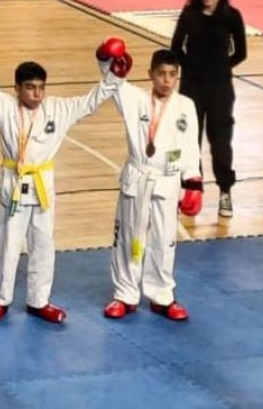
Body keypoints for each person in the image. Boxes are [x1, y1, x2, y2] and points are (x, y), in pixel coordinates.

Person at [0, 36, 126, 324]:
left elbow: (91, 101)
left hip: (43, 186)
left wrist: (115, 77)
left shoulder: (59, 109)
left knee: (44, 244)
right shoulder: (4, 107)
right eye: (30, 88)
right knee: (8, 245)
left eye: (40, 88)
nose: (36, 94)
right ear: (17, 88)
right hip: (14, 183)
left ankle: (39, 300)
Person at [102, 48, 202, 322]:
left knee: (164, 240)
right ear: (151, 74)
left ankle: (162, 296)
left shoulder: (186, 106)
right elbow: (110, 81)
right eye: (161, 74)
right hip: (138, 176)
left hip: (168, 181)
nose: (167, 81)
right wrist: (106, 57)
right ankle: (125, 294)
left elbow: (192, 147)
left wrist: (193, 181)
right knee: (128, 239)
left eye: (172, 75)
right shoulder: (133, 98)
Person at [171, 0, 246, 218]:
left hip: (220, 89)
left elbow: (240, 53)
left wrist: (221, 68)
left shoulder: (232, 16)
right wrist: (191, 67)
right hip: (191, 87)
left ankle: (225, 190)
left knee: (220, 142)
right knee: (190, 141)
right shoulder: (190, 13)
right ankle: (193, 191)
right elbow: (175, 47)